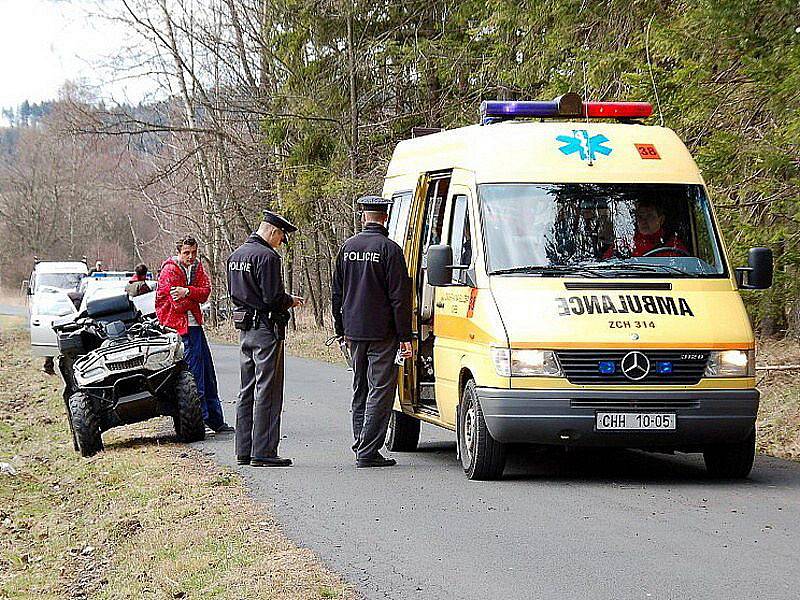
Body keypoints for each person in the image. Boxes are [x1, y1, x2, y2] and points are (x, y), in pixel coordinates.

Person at [331, 196, 413, 468]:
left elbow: (337, 293)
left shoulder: (347, 248)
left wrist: (340, 328)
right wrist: (405, 337)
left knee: (360, 387)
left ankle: (360, 442)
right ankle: (367, 450)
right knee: (381, 389)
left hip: (354, 331)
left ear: (363, 217)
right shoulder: (390, 250)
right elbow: (400, 298)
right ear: (385, 217)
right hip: (382, 333)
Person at [227, 211, 304, 467]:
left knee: (247, 388)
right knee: (268, 389)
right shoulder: (267, 257)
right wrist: (290, 300)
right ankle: (264, 451)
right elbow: (272, 297)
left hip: (244, 327)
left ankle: (244, 449)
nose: (280, 242)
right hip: (265, 329)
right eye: (281, 236)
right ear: (272, 231)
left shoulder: (236, 256)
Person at [156, 236, 233, 434]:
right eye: (186, 253)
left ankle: (216, 420)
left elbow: (205, 292)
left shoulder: (197, 267)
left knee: (207, 372)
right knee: (194, 374)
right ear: (179, 252)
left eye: (193, 252)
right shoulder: (170, 271)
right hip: (179, 327)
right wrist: (192, 296)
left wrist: (187, 291)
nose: (190, 256)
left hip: (195, 324)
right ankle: (201, 420)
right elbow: (177, 304)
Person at [604, 200, 687, 259]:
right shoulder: (625, 243)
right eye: (640, 216)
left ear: (661, 220)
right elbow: (606, 265)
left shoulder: (674, 245)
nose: (644, 221)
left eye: (649, 216)